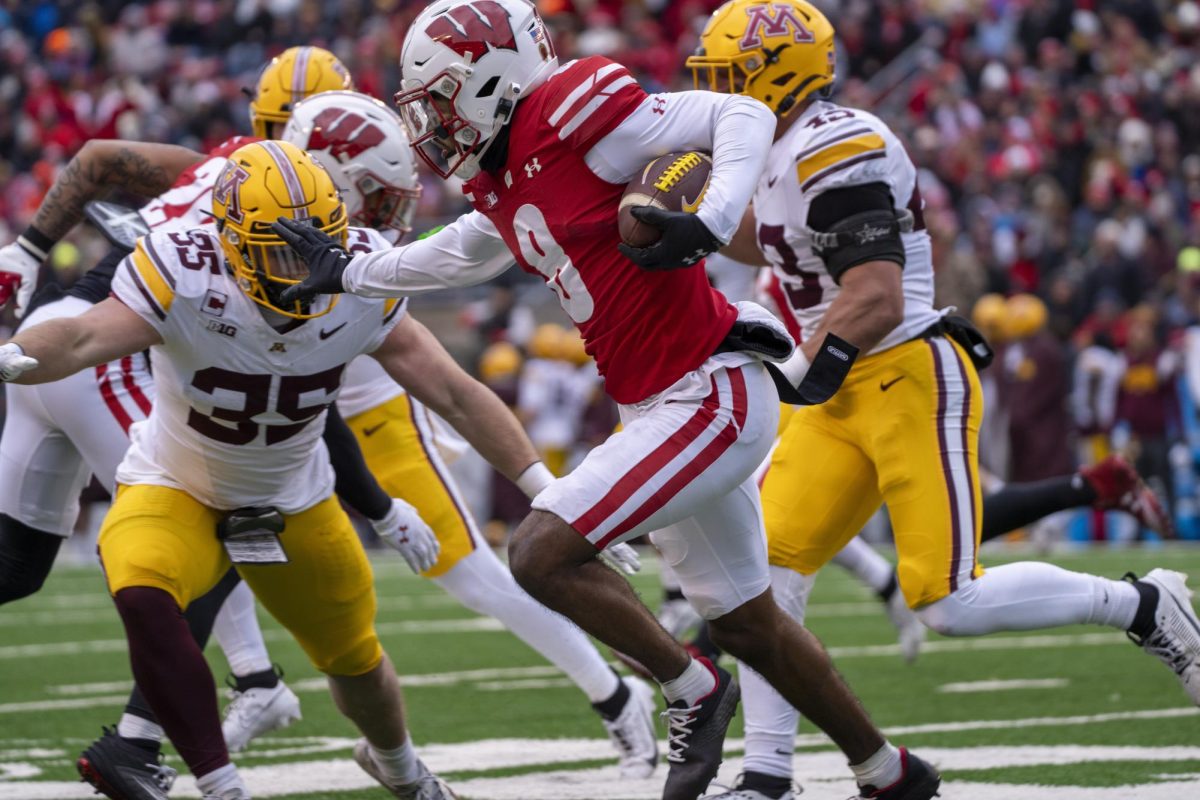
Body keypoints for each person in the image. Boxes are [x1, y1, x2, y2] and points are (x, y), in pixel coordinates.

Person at [275, 2, 939, 798]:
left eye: (440, 100)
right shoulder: (502, 171)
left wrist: (711, 217)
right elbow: (462, 253)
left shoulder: (572, 110)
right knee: (748, 624)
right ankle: (887, 771)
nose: (431, 125)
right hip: (662, 402)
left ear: (493, 79)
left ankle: (693, 688)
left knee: (538, 553)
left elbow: (736, 112)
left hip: (708, 391)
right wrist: (348, 271)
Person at [0, 81, 659, 784]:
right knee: (139, 582)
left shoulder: (359, 274)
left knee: (357, 662)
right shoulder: (182, 264)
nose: (293, 268)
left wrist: (544, 490)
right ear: (224, 238)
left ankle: (404, 772)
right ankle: (211, 765)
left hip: (291, 494)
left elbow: (456, 395)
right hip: (177, 479)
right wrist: (14, 353)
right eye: (272, 249)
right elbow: (76, 342)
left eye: (308, 246)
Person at [687, 2, 1200, 798]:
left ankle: (1140, 604)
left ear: (777, 72)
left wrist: (790, 373)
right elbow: (783, 240)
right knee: (765, 579)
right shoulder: (781, 147)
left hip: (901, 375)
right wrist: (698, 223)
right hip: (844, 385)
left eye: (727, 77)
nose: (716, 96)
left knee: (946, 601)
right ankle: (767, 776)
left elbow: (877, 296)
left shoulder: (837, 145)